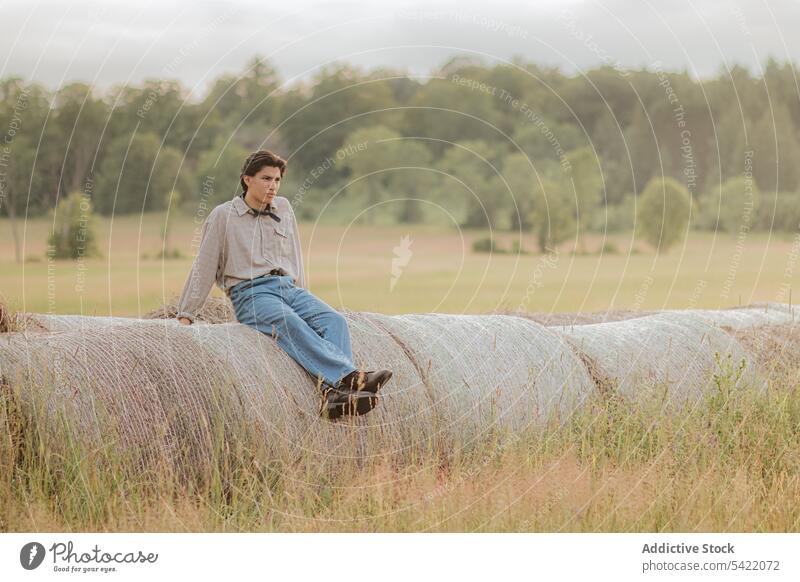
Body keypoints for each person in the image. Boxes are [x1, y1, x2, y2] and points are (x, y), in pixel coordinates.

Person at [176, 149, 393, 420]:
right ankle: (350, 378)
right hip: (251, 295)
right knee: (288, 321)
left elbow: (295, 256)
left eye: (277, 180)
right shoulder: (223, 215)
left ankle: (333, 395)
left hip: (288, 289)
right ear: (247, 180)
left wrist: (303, 294)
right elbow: (204, 265)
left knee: (334, 321)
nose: (273, 186)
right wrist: (186, 315)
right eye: (266, 179)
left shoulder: (284, 208)